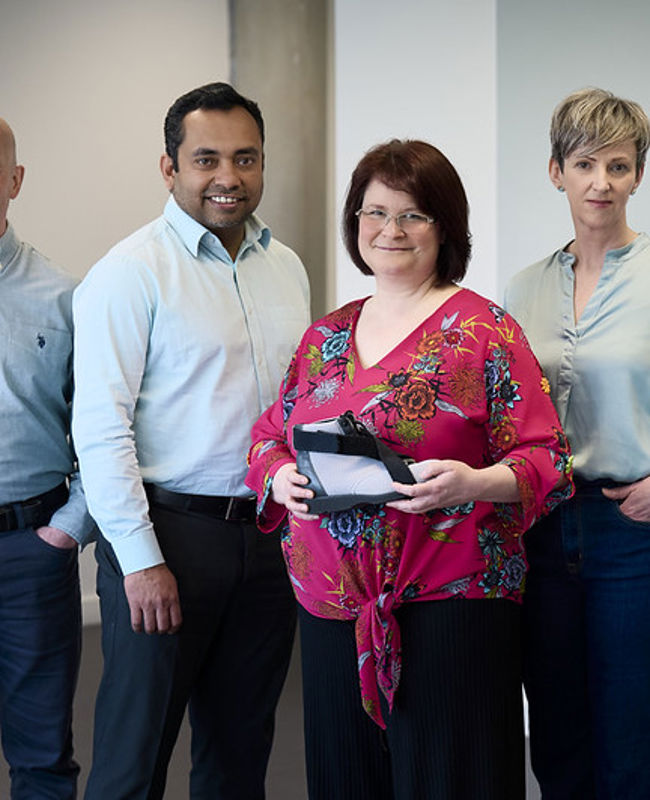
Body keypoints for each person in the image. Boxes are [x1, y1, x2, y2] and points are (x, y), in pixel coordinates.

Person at [246, 138, 573, 800]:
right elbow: (267, 438)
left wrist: (474, 483)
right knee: (346, 781)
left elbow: (548, 458)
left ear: (444, 227)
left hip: (452, 608)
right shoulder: (325, 337)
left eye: (413, 214)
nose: (390, 230)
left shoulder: (485, 332)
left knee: (448, 780)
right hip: (334, 610)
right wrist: (278, 476)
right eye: (374, 212)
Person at [72, 82, 310, 800]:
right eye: (206, 159)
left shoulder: (285, 266)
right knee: (133, 762)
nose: (228, 177)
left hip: (266, 539)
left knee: (240, 757)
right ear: (169, 167)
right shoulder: (130, 272)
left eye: (246, 158)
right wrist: (140, 561)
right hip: (169, 536)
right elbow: (100, 429)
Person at [504, 87, 650, 799]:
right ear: (556, 171)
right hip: (540, 527)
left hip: (631, 531)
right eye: (586, 164)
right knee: (557, 732)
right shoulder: (524, 288)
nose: (602, 183)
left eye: (618, 167)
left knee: (630, 735)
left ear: (637, 176)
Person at [0, 118, 95, 798]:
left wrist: (67, 529)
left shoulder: (64, 297)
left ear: (14, 180)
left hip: (27, 554)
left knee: (41, 757)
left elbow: (103, 431)